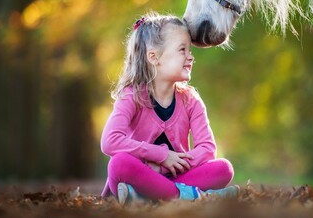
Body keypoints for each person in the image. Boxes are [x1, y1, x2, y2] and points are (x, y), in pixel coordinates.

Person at [100, 12, 237, 204]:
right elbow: (110, 142)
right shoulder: (132, 96)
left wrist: (163, 167)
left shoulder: (191, 100)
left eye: (190, 50)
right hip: (141, 176)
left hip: (177, 176)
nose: (190, 57)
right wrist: (161, 156)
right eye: (183, 50)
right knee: (119, 164)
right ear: (154, 57)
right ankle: (187, 196)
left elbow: (207, 149)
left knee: (223, 168)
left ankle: (146, 198)